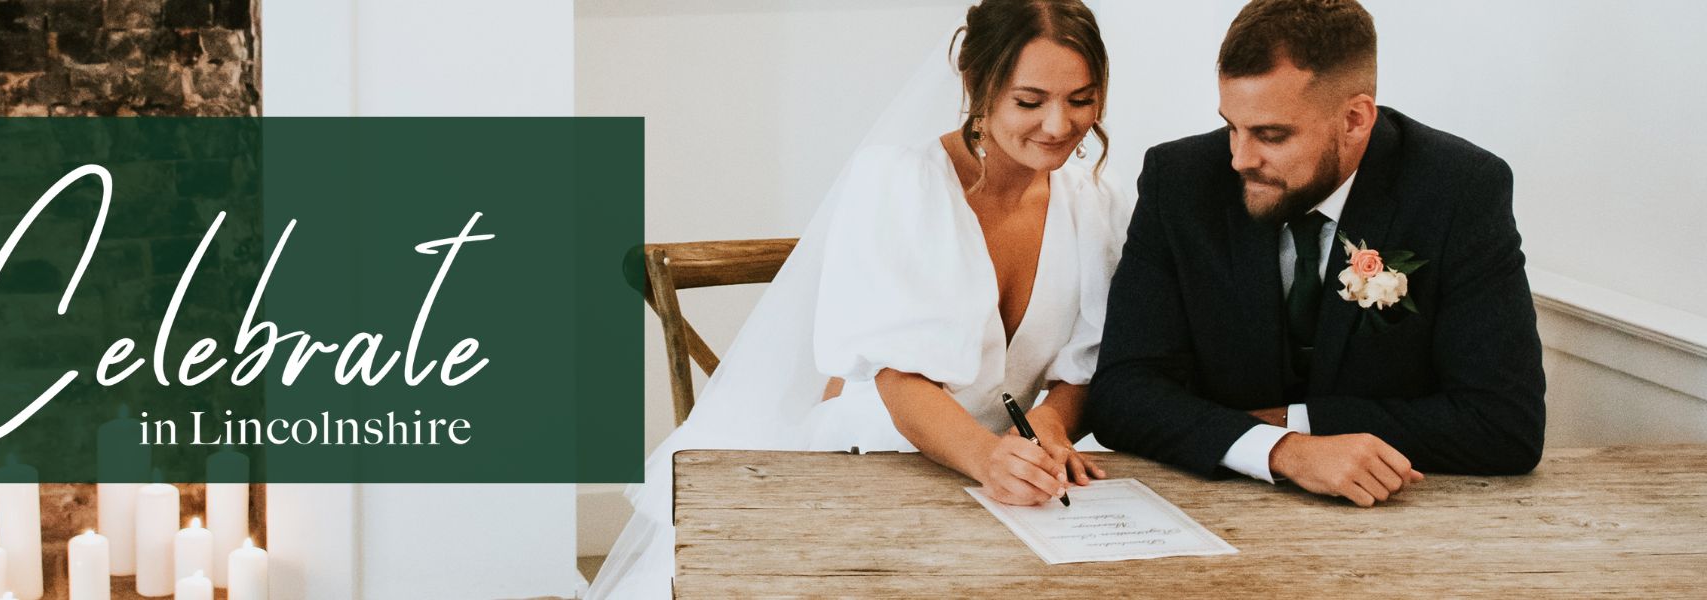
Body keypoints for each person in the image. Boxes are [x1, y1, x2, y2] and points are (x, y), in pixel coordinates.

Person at [589, 1, 1129, 596]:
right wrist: (986, 458)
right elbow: (898, 380)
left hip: (1010, 484)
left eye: (1080, 100)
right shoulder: (897, 184)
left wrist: (1050, 424)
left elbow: (1089, 362)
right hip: (875, 458)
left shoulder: (1093, 207)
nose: (1057, 125)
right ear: (977, 84)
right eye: (1029, 101)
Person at [1088, 0, 1546, 508]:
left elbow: (1506, 424)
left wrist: (1300, 423)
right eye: (1231, 126)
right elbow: (1121, 394)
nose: (1240, 157)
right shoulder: (1179, 181)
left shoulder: (1459, 191)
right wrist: (1283, 451)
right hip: (1210, 509)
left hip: (1404, 527)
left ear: (1355, 119)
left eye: (1271, 135)